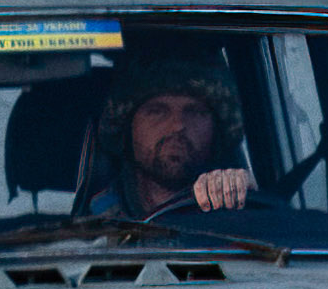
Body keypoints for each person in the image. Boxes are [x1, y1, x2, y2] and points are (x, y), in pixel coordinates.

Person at [87, 65, 260, 221]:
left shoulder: (238, 210)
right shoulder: (94, 222)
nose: (178, 125)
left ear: (217, 129)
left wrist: (244, 198)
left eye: (194, 111)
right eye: (157, 111)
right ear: (127, 126)